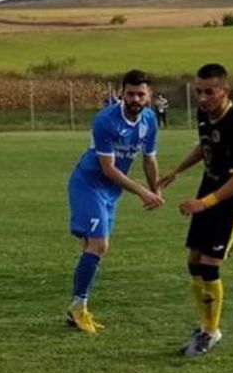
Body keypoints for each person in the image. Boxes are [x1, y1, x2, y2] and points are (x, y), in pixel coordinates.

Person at [158, 63, 233, 358]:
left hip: (231, 202)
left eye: (208, 92)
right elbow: (204, 145)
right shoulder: (205, 114)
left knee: (210, 264)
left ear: (225, 91)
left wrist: (204, 203)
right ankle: (204, 325)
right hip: (208, 192)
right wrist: (178, 170)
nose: (202, 98)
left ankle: (211, 332)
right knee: (194, 261)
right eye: (198, 91)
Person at [66, 69, 164, 333]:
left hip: (111, 191)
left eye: (140, 94)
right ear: (122, 93)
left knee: (92, 247)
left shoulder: (150, 121)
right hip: (88, 184)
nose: (135, 99)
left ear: (149, 96)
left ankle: (77, 307)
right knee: (99, 244)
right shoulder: (106, 120)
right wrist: (143, 192)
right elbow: (108, 169)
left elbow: (149, 158)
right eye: (130, 93)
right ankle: (78, 307)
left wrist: (156, 190)